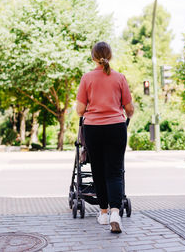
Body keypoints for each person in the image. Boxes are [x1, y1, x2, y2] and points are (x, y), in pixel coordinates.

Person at [76, 41, 134, 233]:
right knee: (115, 171)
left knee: (98, 171)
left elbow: (80, 110)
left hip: (93, 129)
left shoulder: (87, 78)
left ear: (93, 57)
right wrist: (126, 114)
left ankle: (102, 213)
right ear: (110, 56)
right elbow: (129, 108)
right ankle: (115, 213)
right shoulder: (120, 77)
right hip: (116, 127)